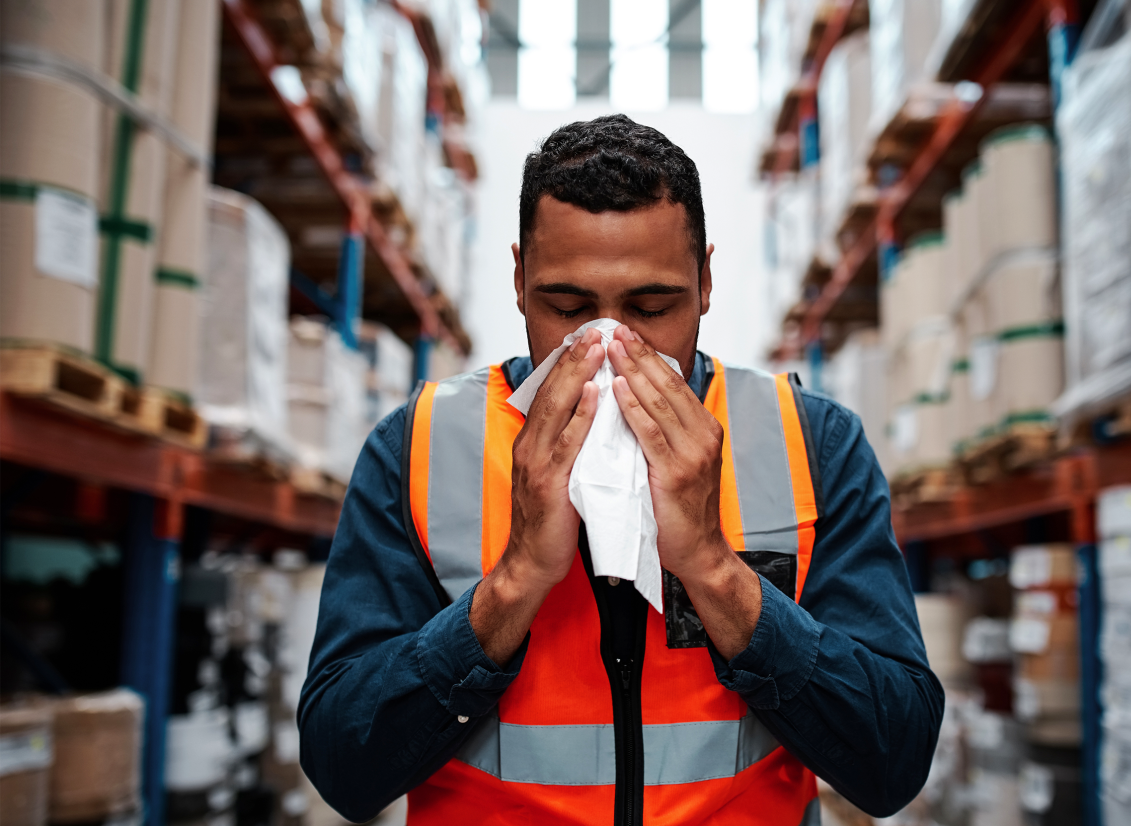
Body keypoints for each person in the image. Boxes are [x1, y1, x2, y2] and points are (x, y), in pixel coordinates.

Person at [299, 114, 944, 825]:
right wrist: (512, 586)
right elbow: (343, 767)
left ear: (704, 282)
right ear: (518, 281)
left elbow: (894, 762)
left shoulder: (810, 444)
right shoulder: (421, 446)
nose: (609, 344)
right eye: (567, 307)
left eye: (651, 307)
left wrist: (714, 571)